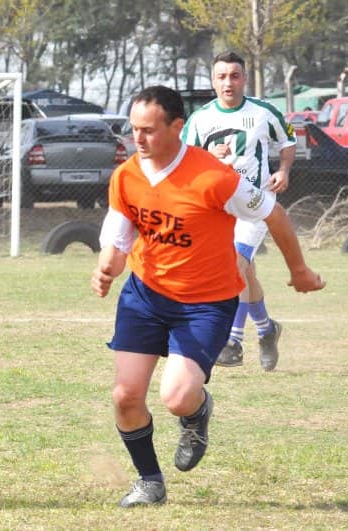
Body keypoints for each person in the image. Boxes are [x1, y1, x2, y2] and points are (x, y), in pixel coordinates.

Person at [91, 85, 324, 508]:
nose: (138, 139)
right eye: (133, 130)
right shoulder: (126, 175)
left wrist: (300, 270)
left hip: (205, 303)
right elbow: (120, 232)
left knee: (176, 398)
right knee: (126, 395)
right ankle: (149, 482)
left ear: (177, 127)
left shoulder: (213, 177)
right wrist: (107, 265)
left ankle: (196, 413)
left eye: (148, 130)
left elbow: (273, 212)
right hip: (145, 295)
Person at [181, 51, 296, 371]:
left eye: (234, 75)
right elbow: (184, 161)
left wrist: (284, 171)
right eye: (221, 76)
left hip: (255, 204)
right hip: (218, 210)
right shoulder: (200, 119)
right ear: (213, 81)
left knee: (235, 265)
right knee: (245, 273)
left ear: (244, 78)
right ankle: (266, 329)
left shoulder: (263, 112)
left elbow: (288, 142)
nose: (228, 82)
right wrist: (208, 155)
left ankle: (232, 342)